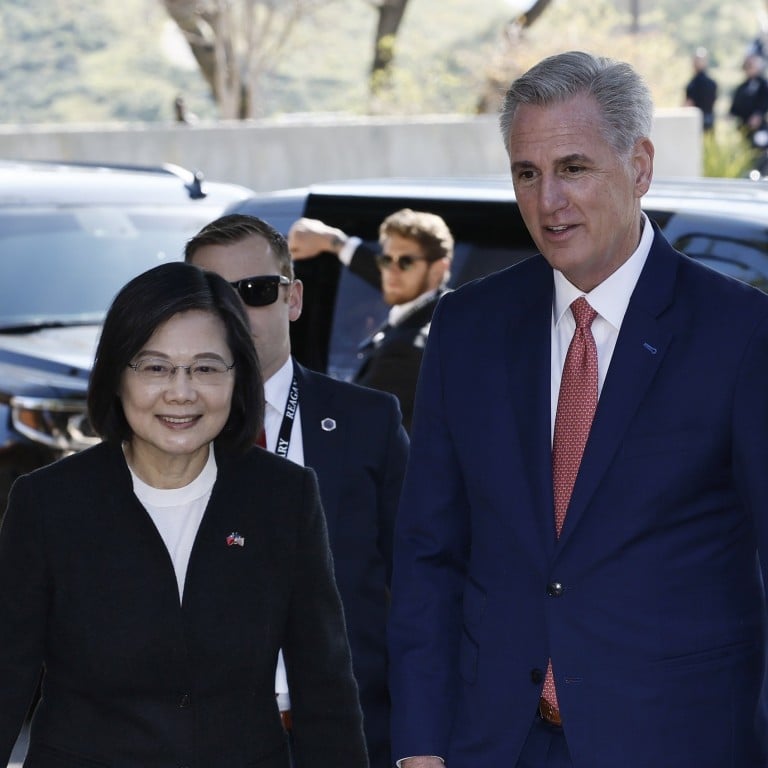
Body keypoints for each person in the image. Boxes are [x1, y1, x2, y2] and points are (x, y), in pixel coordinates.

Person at [388, 50, 768, 768]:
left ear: (641, 166)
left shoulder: (741, 335)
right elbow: (428, 555)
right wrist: (420, 747)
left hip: (679, 743)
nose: (547, 202)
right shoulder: (468, 328)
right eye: (526, 174)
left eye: (574, 168)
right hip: (493, 743)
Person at [0, 261, 368, 767]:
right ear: (116, 375)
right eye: (155, 367)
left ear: (238, 378)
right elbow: (7, 674)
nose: (181, 391)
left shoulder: (284, 497)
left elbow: (324, 684)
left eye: (206, 367)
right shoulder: (48, 503)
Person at [185, 214, 409, 768]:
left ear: (294, 298)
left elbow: (425, 584)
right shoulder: (160, 428)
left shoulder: (368, 423)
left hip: (351, 737)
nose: (236, 312)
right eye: (215, 295)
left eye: (257, 291)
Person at [288, 209, 453, 432]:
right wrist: (335, 243)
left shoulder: (406, 349)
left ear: (438, 270)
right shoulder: (448, 309)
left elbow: (348, 421)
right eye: (386, 260)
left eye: (405, 263)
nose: (391, 273)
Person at [729, 52, 768, 144]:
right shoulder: (741, 87)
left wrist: (758, 115)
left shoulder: (763, 85)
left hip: (759, 127)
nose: (748, 68)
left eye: (751, 65)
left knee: (761, 152)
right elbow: (735, 105)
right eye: (747, 66)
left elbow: (764, 102)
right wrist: (731, 114)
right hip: (743, 127)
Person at [683, 47, 717, 133]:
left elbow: (688, 105)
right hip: (709, 122)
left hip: (695, 124)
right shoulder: (712, 83)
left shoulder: (693, 84)